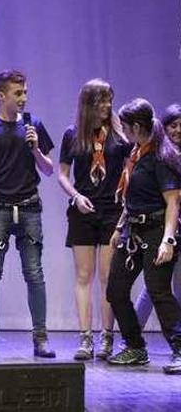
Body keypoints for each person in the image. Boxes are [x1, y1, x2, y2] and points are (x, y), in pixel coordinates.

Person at [0, 69, 56, 358]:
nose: (24, 98)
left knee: (34, 273)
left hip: (29, 207)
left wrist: (36, 149)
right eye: (18, 93)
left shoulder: (34, 126)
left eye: (26, 92)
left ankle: (40, 338)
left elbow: (49, 169)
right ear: (1, 95)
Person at [105, 98, 181, 374]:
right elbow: (132, 197)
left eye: (125, 127)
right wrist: (119, 227)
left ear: (137, 127)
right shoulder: (136, 154)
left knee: (159, 291)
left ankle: (180, 349)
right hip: (132, 231)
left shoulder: (162, 157)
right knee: (115, 290)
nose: (123, 132)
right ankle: (135, 347)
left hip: (157, 230)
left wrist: (168, 240)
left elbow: (173, 202)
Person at [56, 79, 130, 360]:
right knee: (84, 275)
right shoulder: (73, 134)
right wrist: (76, 196)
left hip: (111, 211)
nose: (107, 106)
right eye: (101, 101)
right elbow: (62, 174)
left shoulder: (118, 135)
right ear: (88, 104)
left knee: (108, 276)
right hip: (82, 210)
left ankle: (107, 338)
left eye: (109, 100)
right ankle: (85, 338)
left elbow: (130, 167)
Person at [134, 104, 181, 326]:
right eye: (173, 125)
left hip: (174, 230)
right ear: (164, 127)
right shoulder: (157, 156)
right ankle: (131, 337)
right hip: (162, 230)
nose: (178, 130)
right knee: (153, 288)